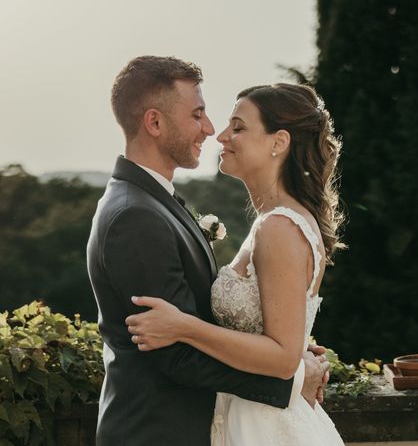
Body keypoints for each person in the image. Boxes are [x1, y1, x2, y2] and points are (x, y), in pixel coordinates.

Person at [87, 57, 328, 446]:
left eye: (236, 126)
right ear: (154, 123)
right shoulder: (135, 215)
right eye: (197, 114)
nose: (212, 130)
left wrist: (292, 350)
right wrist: (293, 373)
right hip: (157, 432)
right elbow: (175, 355)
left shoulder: (158, 203)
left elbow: (201, 322)